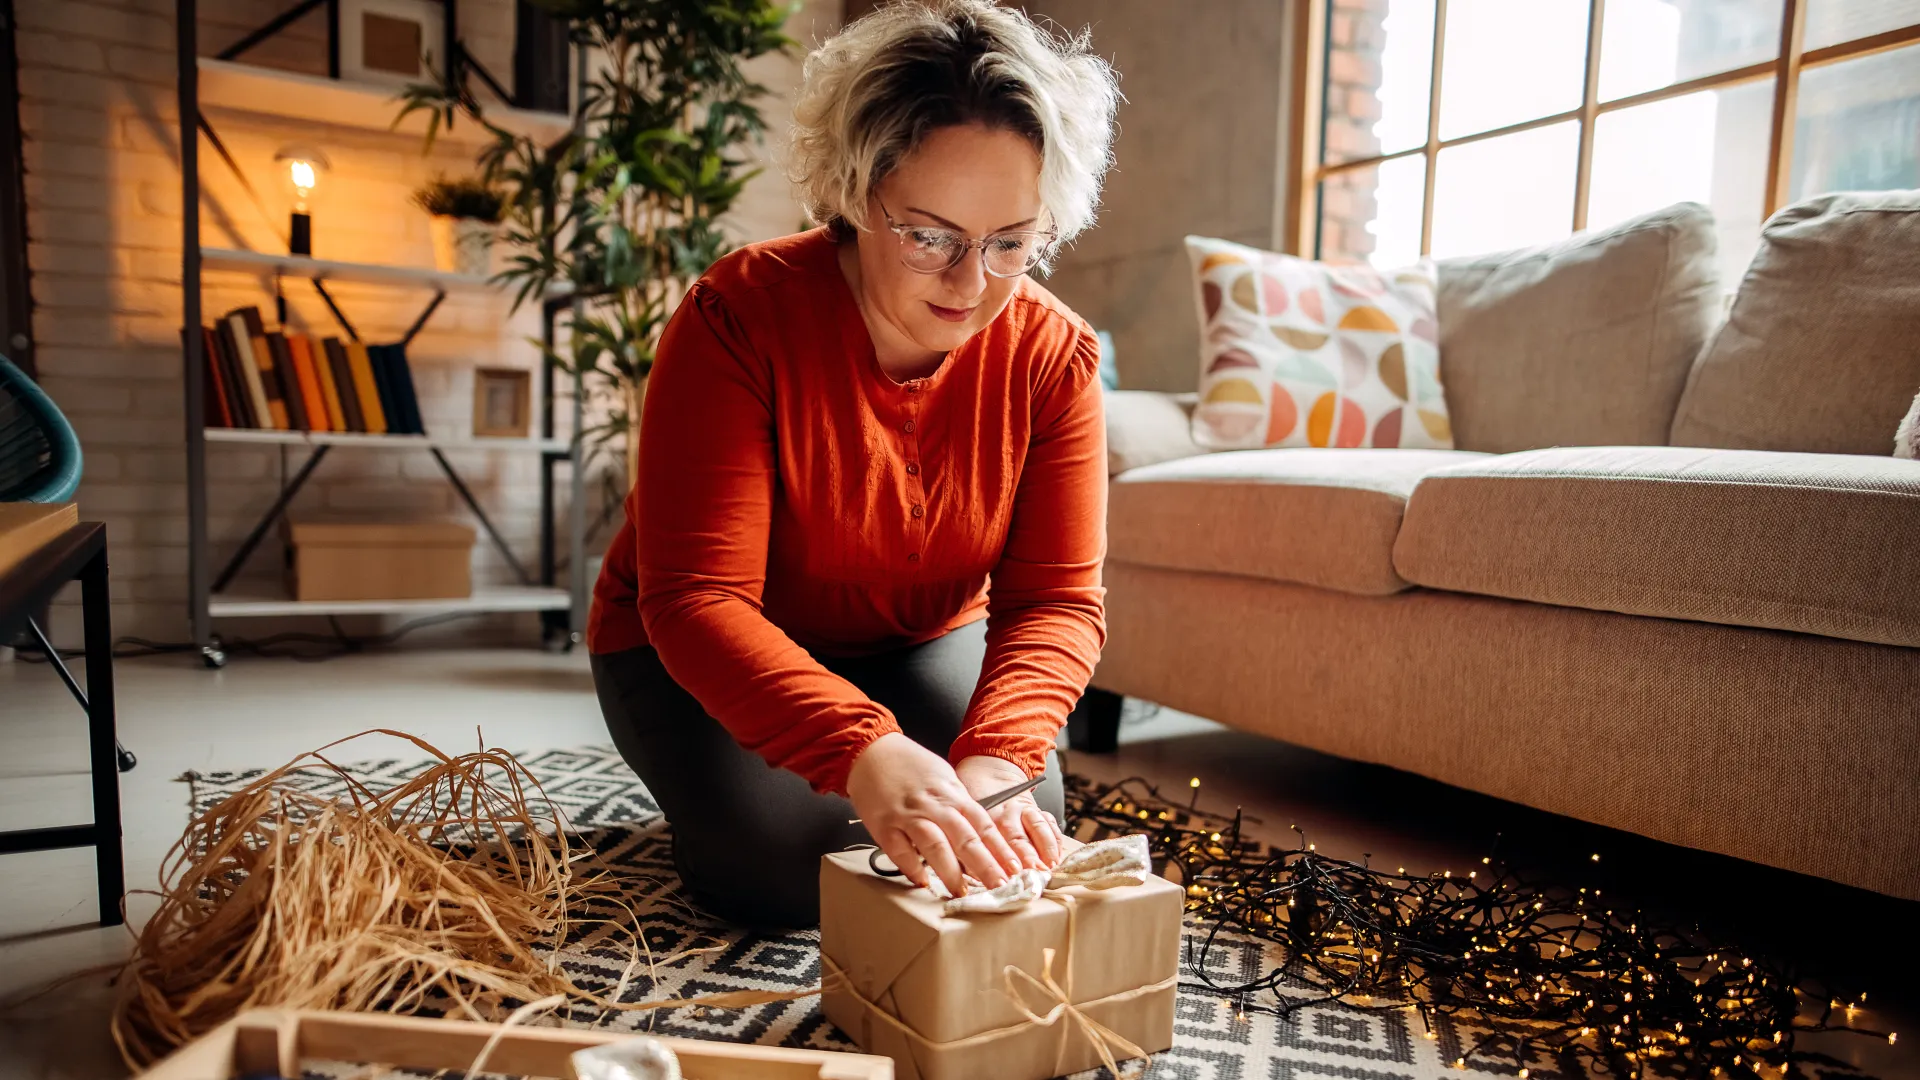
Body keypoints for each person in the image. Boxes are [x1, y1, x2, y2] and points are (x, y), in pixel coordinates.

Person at [587, 0, 1121, 929]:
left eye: (1011, 245)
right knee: (796, 868)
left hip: (918, 636)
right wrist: (865, 750)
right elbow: (697, 600)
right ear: (853, 188)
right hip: (697, 642)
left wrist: (997, 760)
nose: (972, 285)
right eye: (931, 236)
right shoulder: (736, 318)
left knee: (1009, 829)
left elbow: (1055, 604)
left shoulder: (1054, 356)